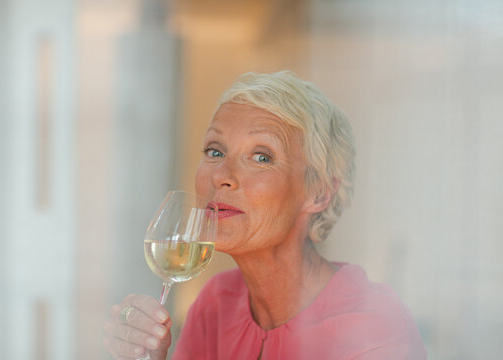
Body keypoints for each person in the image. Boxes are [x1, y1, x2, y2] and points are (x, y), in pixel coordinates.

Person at [103, 71, 427, 359]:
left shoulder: (374, 330)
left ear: (319, 192)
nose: (221, 175)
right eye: (215, 151)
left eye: (261, 157)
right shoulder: (215, 304)